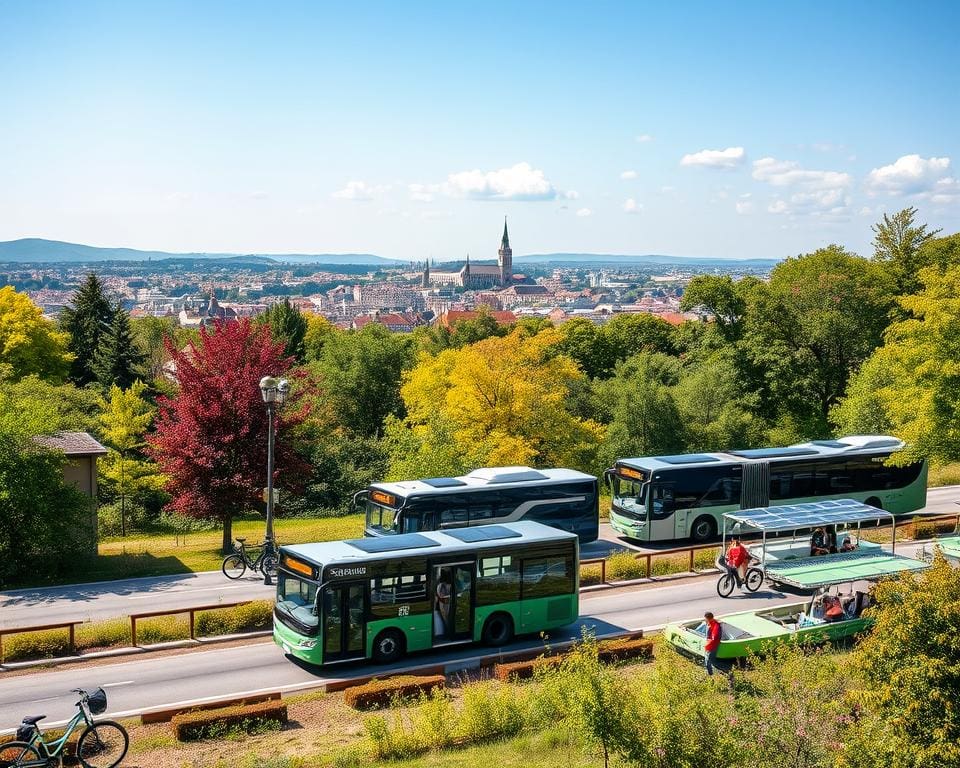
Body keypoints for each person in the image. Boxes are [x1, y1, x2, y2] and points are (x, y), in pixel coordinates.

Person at [703, 611, 721, 675]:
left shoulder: (715, 625)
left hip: (711, 646)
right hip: (710, 645)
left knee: (708, 661)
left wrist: (707, 645)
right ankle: (710, 673)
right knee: (708, 660)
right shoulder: (710, 623)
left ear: (708, 618)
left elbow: (714, 638)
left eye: (705, 618)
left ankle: (711, 674)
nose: (705, 620)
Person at [435, 571, 452, 636]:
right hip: (446, 604)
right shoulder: (444, 586)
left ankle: (447, 632)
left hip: (444, 605)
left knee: (445, 618)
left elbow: (441, 596)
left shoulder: (440, 586)